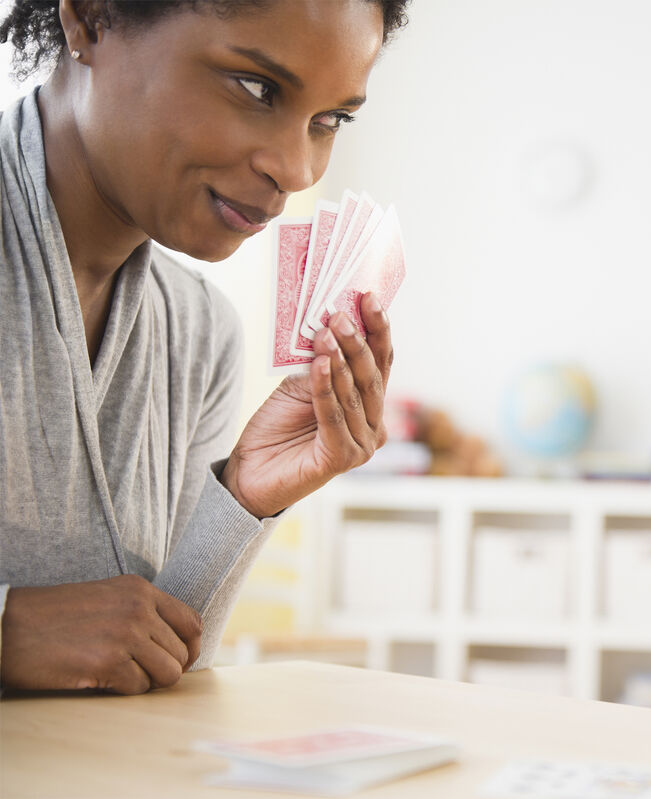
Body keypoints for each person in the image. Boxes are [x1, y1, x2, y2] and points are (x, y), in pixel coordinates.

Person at [0, 0, 410, 694]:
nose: (297, 167)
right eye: (257, 88)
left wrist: (243, 499)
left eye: (330, 120)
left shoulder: (200, 332)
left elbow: (155, 660)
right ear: (90, 20)